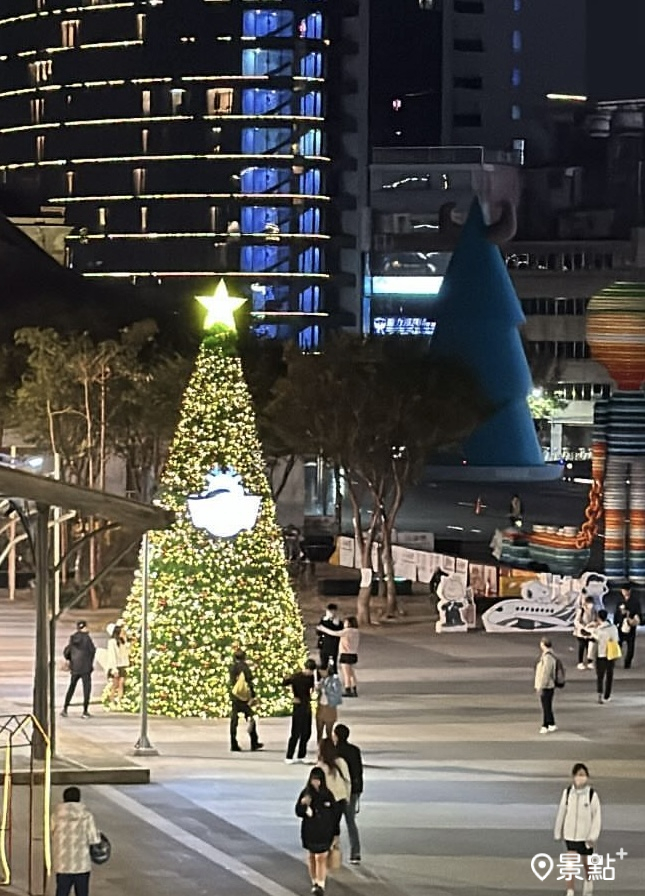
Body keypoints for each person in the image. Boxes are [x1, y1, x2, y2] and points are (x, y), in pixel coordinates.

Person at [553, 762, 602, 896]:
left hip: (585, 836)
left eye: (583, 775)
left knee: (586, 863)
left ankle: (588, 880)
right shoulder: (568, 793)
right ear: (573, 776)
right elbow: (562, 811)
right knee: (570, 863)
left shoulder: (591, 795)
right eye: (579, 775)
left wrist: (593, 836)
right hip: (570, 835)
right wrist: (558, 831)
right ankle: (570, 890)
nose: (581, 777)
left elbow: (596, 816)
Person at [51, 786, 102, 896]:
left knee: (62, 892)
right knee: (82, 892)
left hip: (62, 864)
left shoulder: (55, 816)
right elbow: (94, 840)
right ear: (79, 799)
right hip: (82, 864)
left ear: (64, 799)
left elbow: (50, 833)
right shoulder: (87, 816)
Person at [295, 767, 337, 896]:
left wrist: (335, 833)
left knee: (321, 857)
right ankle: (314, 881)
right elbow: (298, 812)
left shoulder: (328, 795)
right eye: (314, 780)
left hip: (324, 831)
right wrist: (303, 805)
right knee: (312, 857)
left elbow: (334, 815)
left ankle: (321, 883)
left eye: (318, 780)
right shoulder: (306, 794)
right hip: (310, 831)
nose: (316, 783)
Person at [333, 724, 363, 865]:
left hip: (338, 791)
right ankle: (355, 852)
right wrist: (357, 790)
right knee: (350, 822)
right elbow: (359, 771)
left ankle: (331, 850)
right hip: (352, 791)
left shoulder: (334, 752)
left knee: (333, 822)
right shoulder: (354, 750)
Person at [317, 737, 351, 850]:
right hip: (340, 798)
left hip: (327, 801)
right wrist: (347, 797)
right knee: (335, 824)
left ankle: (327, 849)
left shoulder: (320, 766)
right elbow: (347, 780)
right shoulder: (341, 762)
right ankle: (335, 848)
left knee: (327, 825)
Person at [282, 658, 317, 763]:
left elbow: (311, 688)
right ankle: (289, 756)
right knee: (295, 732)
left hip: (307, 705)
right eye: (309, 670)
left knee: (306, 732)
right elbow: (284, 683)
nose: (310, 673)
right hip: (298, 706)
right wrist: (291, 697)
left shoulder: (311, 677)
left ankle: (301, 755)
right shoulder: (296, 677)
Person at [229, 649, 263, 752]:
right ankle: (254, 742)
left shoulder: (232, 667)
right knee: (251, 718)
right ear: (244, 657)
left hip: (235, 696)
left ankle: (233, 743)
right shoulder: (245, 667)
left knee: (234, 721)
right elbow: (249, 681)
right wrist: (253, 695)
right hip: (244, 697)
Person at [317, 616, 360, 697]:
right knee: (351, 673)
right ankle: (354, 688)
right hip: (353, 654)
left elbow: (334, 633)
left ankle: (348, 689)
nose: (344, 623)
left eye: (346, 622)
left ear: (349, 623)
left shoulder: (347, 631)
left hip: (345, 654)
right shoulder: (356, 631)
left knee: (346, 673)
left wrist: (323, 629)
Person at [62, 621, 96, 719]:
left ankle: (65, 708)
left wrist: (70, 660)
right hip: (85, 668)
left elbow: (67, 651)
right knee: (87, 689)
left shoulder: (73, 638)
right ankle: (85, 711)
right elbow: (92, 651)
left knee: (71, 687)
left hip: (75, 667)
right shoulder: (87, 638)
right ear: (85, 627)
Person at [591, 609, 620, 703]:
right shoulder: (613, 627)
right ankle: (607, 696)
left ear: (598, 618)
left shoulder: (598, 630)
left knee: (600, 676)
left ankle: (600, 694)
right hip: (611, 654)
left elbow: (595, 638)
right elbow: (616, 639)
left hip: (601, 654)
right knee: (609, 675)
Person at [613, 584, 641, 669]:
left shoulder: (635, 602)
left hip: (630, 626)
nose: (624, 592)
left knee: (630, 645)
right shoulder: (619, 601)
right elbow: (616, 613)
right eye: (622, 591)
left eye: (625, 591)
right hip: (620, 625)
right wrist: (615, 623)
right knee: (618, 644)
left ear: (629, 591)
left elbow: (638, 613)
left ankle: (627, 663)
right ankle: (613, 660)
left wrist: (628, 613)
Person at [534, 637, 557, 734]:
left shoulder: (547, 657)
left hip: (547, 686)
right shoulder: (549, 655)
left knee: (546, 706)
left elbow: (546, 673)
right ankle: (551, 723)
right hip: (549, 685)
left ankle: (545, 725)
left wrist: (541, 686)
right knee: (547, 705)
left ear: (543, 645)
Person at [315, 665, 343, 743]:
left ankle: (329, 748)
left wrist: (325, 689)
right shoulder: (321, 680)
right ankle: (319, 747)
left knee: (329, 731)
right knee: (319, 730)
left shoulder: (335, 680)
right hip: (321, 707)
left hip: (329, 707)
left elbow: (337, 693)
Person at [105, 623, 130, 707]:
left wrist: (125, 641)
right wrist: (114, 668)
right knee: (115, 684)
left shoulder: (123, 641)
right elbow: (112, 655)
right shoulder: (112, 642)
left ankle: (119, 700)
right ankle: (111, 701)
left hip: (123, 664)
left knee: (121, 683)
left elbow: (127, 652)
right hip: (115, 666)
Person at [317, 604, 343, 672]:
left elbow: (338, 632)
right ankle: (322, 678)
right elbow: (318, 631)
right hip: (324, 644)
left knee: (333, 664)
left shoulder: (338, 622)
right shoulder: (323, 620)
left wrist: (333, 624)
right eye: (329, 611)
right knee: (323, 663)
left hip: (333, 645)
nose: (331, 613)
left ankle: (334, 679)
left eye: (332, 611)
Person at [574, 596, 597, 670]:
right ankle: (580, 662)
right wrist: (582, 626)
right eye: (590, 603)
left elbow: (596, 620)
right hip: (581, 632)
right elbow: (576, 621)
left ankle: (590, 662)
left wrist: (593, 624)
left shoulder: (594, 611)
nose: (591, 605)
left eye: (592, 603)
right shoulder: (581, 610)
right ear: (586, 603)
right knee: (582, 646)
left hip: (590, 631)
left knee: (590, 647)